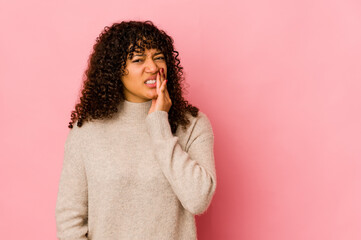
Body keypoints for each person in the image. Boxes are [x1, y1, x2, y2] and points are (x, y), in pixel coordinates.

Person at [55, 20, 217, 240]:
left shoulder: (192, 124)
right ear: (115, 70)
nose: (152, 67)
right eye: (138, 59)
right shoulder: (87, 130)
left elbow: (198, 199)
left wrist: (159, 124)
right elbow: (69, 219)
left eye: (158, 57)